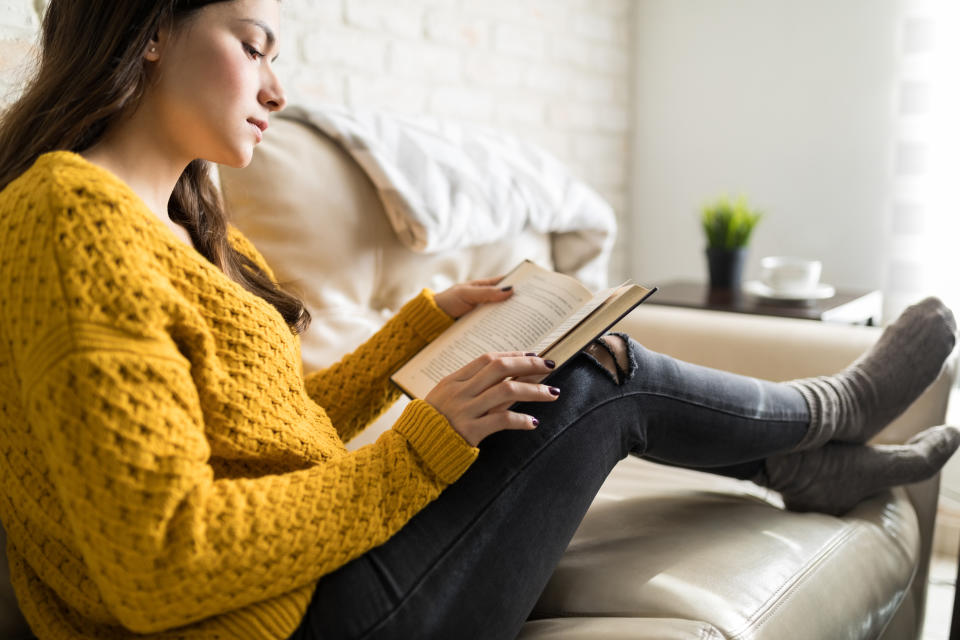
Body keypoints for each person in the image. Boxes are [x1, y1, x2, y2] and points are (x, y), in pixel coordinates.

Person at [0, 1, 957, 639]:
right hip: (286, 624)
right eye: (253, 46)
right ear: (150, 29)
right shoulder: (72, 220)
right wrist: (421, 444)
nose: (278, 91)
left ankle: (801, 450)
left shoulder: (190, 229)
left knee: (579, 357)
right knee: (585, 382)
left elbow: (281, 434)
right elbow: (160, 559)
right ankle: (828, 413)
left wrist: (424, 328)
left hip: (302, 589)